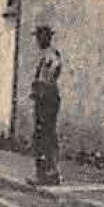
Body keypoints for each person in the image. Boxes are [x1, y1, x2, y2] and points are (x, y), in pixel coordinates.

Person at [28, 25, 63, 186]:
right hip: (42, 98)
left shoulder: (52, 54)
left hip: (48, 98)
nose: (37, 40)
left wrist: (45, 84)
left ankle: (51, 172)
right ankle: (42, 173)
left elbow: (56, 67)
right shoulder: (44, 55)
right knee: (40, 135)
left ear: (46, 37)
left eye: (39, 37)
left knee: (46, 134)